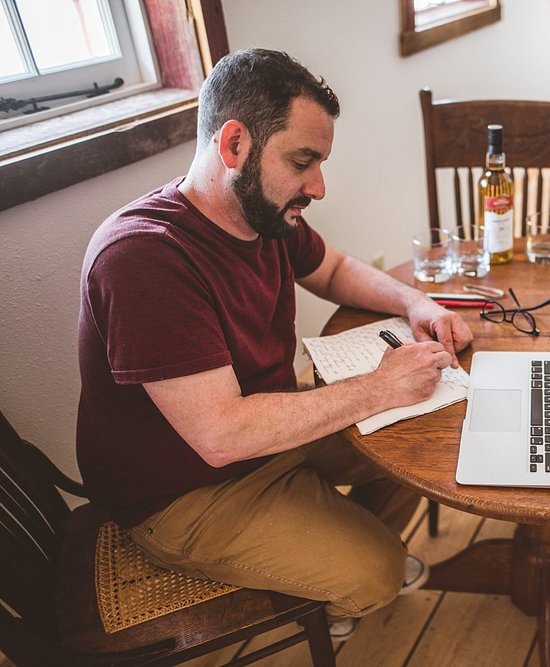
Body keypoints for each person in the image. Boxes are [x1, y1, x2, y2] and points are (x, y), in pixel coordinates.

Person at [76, 48, 473, 639]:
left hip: (268, 431)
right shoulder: (143, 258)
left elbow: (333, 268)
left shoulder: (262, 214)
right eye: (303, 160)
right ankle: (337, 580)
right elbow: (221, 435)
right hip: (182, 493)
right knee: (379, 571)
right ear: (234, 145)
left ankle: (321, 540)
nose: (319, 186)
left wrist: (416, 302)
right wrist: (379, 387)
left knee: (423, 441)